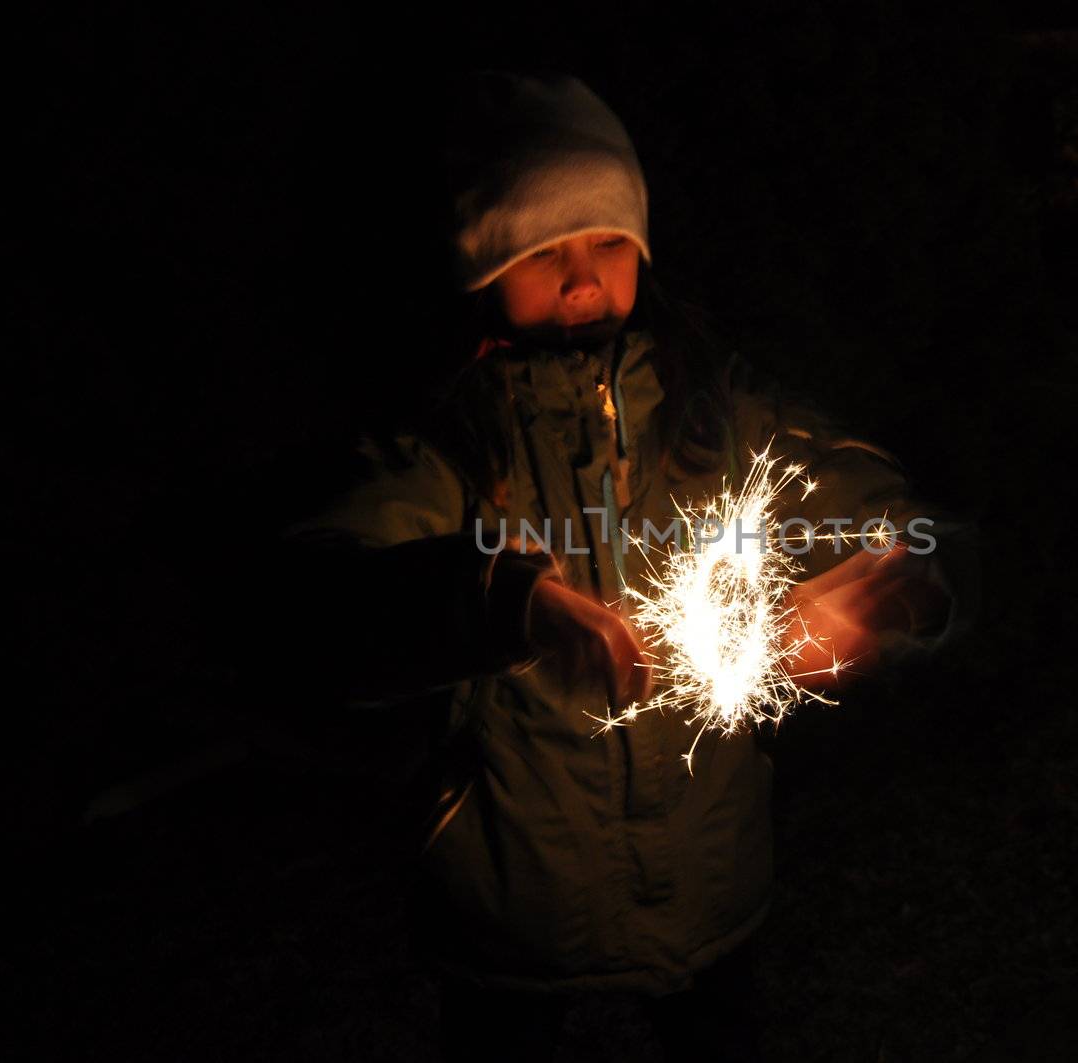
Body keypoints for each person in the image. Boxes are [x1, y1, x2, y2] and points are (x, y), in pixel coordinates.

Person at [276, 70, 978, 1060]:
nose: (580, 280)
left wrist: (902, 571)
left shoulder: (708, 410)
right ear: (478, 264)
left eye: (609, 241)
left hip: (713, 886)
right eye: (540, 251)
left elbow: (877, 496)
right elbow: (320, 604)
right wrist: (503, 599)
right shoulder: (442, 449)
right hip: (511, 907)